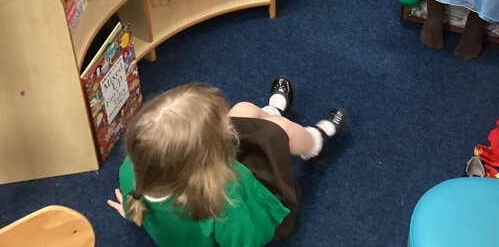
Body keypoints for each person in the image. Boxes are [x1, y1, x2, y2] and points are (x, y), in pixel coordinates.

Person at [107, 78, 347, 246]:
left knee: (243, 110)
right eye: (222, 128)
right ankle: (315, 142)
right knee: (279, 132)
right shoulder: (222, 203)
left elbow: (134, 204)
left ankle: (270, 113)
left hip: (200, 172)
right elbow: (250, 238)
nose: (228, 127)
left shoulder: (132, 171)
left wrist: (129, 212)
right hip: (257, 200)